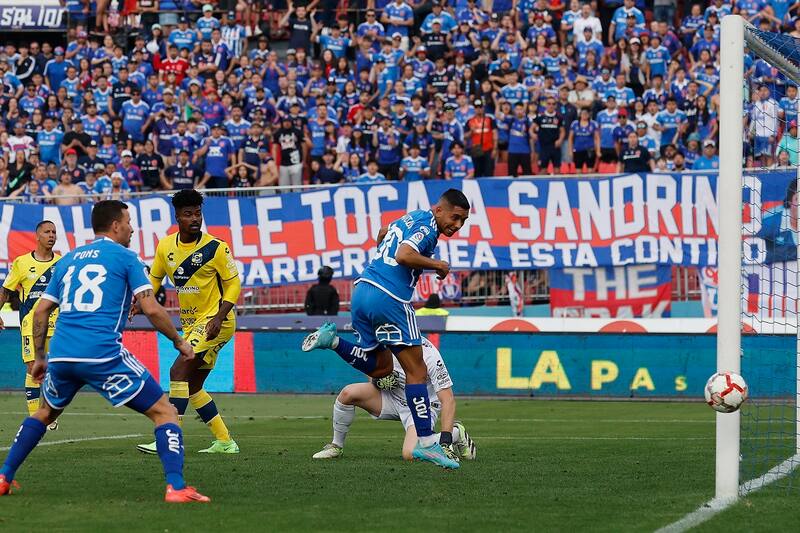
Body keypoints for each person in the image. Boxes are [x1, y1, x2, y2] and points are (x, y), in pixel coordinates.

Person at [0, 201, 209, 503]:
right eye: (128, 222)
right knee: (165, 412)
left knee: (44, 413)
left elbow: (42, 310)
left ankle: (4, 476)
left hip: (62, 355)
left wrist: (42, 358)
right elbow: (150, 307)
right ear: (115, 225)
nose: (132, 228)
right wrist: (178, 341)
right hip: (101, 353)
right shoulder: (126, 258)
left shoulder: (68, 260)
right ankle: (176, 487)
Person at [302, 188, 470, 469]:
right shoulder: (428, 227)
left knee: (380, 367)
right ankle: (429, 445)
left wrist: (383, 258)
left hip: (362, 291)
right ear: (439, 209)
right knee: (417, 371)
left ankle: (333, 342)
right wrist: (436, 264)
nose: (457, 225)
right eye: (455, 217)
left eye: (463, 221)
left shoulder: (411, 217)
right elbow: (404, 255)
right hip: (390, 297)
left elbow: (383, 233)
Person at [136, 190, 241, 456]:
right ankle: (226, 442)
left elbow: (233, 284)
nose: (195, 219)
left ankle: (169, 437)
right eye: (188, 214)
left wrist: (219, 316)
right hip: (192, 324)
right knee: (193, 386)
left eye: (198, 213)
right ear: (177, 217)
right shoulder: (165, 246)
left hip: (217, 321)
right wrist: (140, 301)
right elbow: (155, 280)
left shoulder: (216, 248)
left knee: (178, 371)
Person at [312, 337, 475, 463]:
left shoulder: (430, 355)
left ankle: (456, 432)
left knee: (409, 453)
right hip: (392, 398)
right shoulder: (381, 343)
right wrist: (377, 380)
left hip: (421, 407)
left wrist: (446, 440)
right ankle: (336, 446)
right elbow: (370, 370)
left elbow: (448, 400)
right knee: (348, 393)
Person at [0, 221, 61, 426]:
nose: (51, 235)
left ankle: (48, 410)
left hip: (57, 325)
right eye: (47, 232)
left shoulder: (61, 263)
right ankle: (36, 417)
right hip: (30, 325)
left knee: (56, 370)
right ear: (37, 236)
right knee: (33, 368)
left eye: (54, 232)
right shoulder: (22, 263)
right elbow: (6, 290)